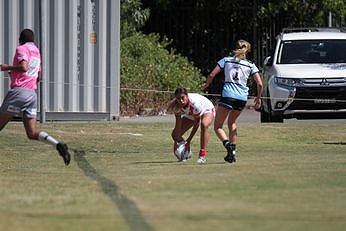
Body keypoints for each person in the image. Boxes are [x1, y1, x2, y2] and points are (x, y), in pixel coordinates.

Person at [0, 29, 71, 165]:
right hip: (32, 94)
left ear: (20, 39)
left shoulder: (22, 48)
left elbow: (24, 67)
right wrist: (15, 75)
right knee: (32, 133)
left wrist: (5, 67)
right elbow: (38, 76)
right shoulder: (37, 52)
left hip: (19, 93)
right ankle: (58, 145)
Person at [202, 39, 263, 163]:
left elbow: (212, 75)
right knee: (232, 123)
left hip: (228, 95)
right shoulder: (251, 65)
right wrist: (258, 98)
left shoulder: (226, 60)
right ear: (248, 51)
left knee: (218, 126)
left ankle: (228, 145)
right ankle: (232, 154)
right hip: (241, 98)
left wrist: (206, 85)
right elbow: (260, 84)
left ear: (235, 48)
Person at [168, 88, 215, 164]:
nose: (181, 101)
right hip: (192, 113)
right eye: (178, 99)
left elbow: (197, 123)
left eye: (183, 98)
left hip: (206, 109)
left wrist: (189, 140)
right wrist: (178, 140)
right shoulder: (176, 106)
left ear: (187, 96)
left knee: (204, 124)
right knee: (175, 135)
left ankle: (202, 156)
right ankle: (187, 153)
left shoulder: (195, 103)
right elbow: (178, 124)